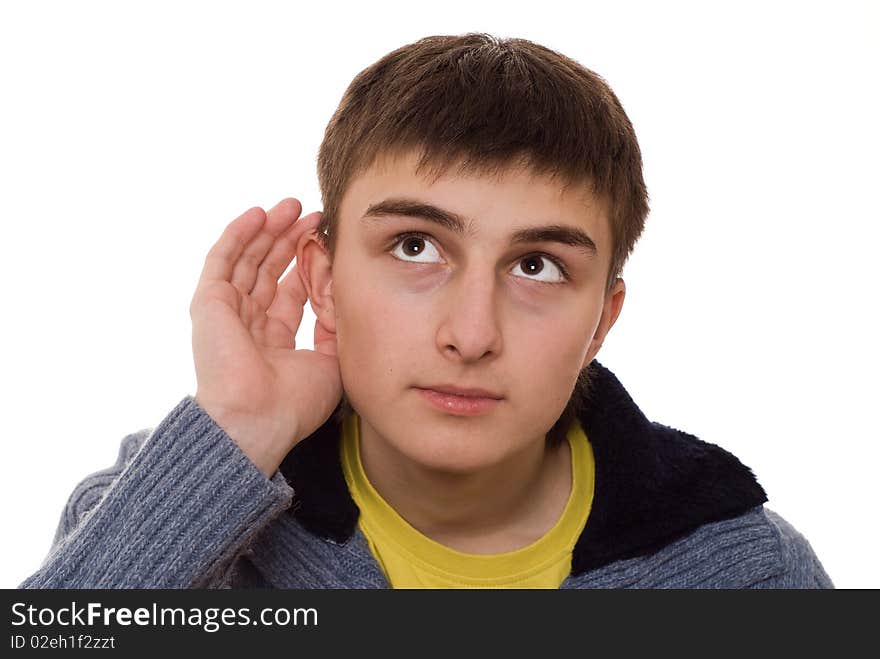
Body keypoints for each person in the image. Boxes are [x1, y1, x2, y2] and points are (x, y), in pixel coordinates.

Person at [20, 33, 832, 589]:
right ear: (325, 279)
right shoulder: (165, 508)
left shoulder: (750, 569)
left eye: (537, 265)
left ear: (603, 321)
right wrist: (236, 430)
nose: (471, 334)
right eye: (416, 247)